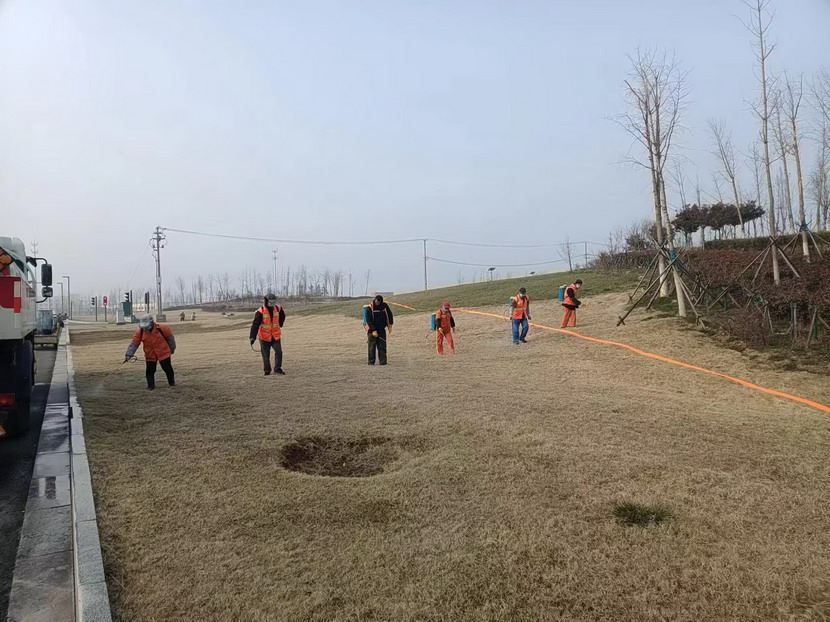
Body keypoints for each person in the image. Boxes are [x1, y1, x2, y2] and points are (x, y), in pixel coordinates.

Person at [125, 315, 176, 390]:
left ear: (152, 322)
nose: (145, 328)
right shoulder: (140, 331)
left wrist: (171, 350)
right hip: (150, 355)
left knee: (168, 369)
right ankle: (151, 386)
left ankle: (172, 383)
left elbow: (171, 340)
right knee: (149, 371)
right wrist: (129, 354)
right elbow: (134, 343)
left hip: (163, 353)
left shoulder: (163, 328)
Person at [250, 293, 286, 376]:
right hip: (264, 337)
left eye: (274, 302)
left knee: (279, 352)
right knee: (266, 355)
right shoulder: (260, 311)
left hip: (275, 335)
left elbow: (283, 316)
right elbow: (255, 325)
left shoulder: (278, 308)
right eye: (270, 302)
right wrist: (252, 337)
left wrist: (280, 324)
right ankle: (267, 370)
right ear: (266, 301)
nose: (272, 303)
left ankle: (277, 369)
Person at [365, 295, 394, 365]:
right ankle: (371, 362)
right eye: (376, 301)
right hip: (372, 331)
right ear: (375, 300)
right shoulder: (369, 308)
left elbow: (389, 314)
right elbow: (368, 320)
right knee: (372, 347)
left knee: (382, 346)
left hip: (381, 329)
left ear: (381, 301)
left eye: (379, 302)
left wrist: (390, 324)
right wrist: (373, 330)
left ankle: (383, 362)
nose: (377, 303)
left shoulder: (384, 306)